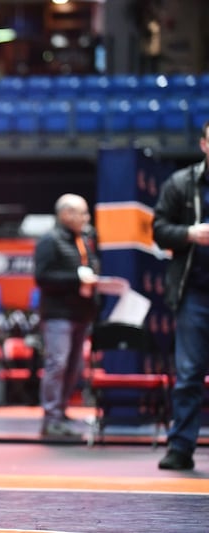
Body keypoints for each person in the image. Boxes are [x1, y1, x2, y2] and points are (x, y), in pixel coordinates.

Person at [152, 119, 209, 471]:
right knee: (189, 374)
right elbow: (159, 230)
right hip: (196, 293)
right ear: (204, 144)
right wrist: (190, 233)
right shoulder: (182, 183)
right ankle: (181, 447)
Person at [33, 193, 99, 438]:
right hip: (57, 314)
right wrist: (77, 278)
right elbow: (42, 277)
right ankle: (51, 419)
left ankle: (60, 413)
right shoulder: (50, 240)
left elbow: (89, 268)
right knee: (57, 364)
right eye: (81, 213)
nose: (86, 218)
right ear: (65, 214)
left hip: (80, 312)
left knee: (74, 367)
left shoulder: (82, 239)